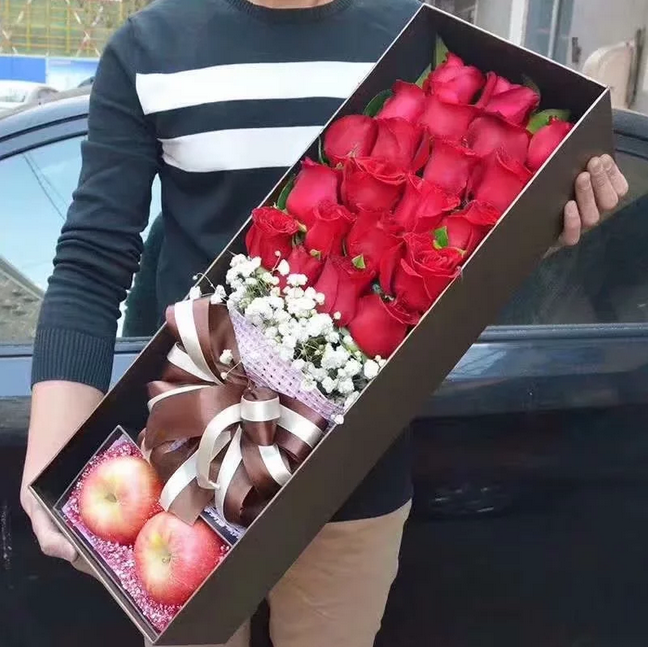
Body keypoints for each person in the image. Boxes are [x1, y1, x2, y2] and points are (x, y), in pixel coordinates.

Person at [20, 0, 629, 646]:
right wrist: (53, 457)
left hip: (356, 482)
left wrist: (537, 223)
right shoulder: (150, 49)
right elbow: (92, 262)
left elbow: (449, 235)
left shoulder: (415, 40)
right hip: (191, 466)